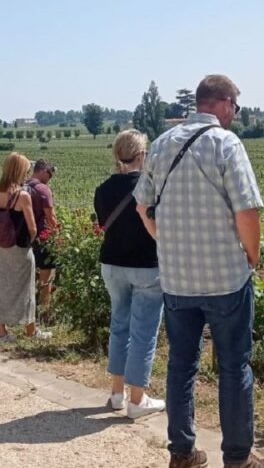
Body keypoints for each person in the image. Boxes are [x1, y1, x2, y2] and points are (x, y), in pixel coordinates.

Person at [135, 75, 264, 468]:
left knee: (181, 366)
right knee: (233, 366)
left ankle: (182, 453)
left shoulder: (161, 145)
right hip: (226, 278)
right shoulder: (226, 144)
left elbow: (141, 206)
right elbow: (247, 210)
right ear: (224, 102)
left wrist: (165, 242)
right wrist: (252, 256)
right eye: (236, 107)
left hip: (177, 281)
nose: (236, 114)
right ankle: (238, 458)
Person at [94, 129, 165, 420]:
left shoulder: (102, 189)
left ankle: (116, 393)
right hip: (146, 266)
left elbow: (104, 223)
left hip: (112, 264)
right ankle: (138, 399)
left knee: (119, 325)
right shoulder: (151, 187)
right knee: (143, 332)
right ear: (141, 155)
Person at [0, 152, 51, 344]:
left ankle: (0, 332)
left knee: (1, 285)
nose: (28, 174)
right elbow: (32, 228)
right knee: (26, 288)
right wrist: (29, 241)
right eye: (26, 170)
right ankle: (31, 330)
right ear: (20, 171)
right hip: (19, 248)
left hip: (0, 245)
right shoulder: (22, 196)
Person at [25, 159, 59, 315]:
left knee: (27, 274)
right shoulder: (43, 189)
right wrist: (57, 235)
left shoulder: (22, 186)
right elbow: (50, 217)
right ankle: (44, 310)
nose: (50, 177)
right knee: (46, 274)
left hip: (23, 237)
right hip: (42, 237)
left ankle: (25, 308)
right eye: (50, 173)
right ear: (43, 170)